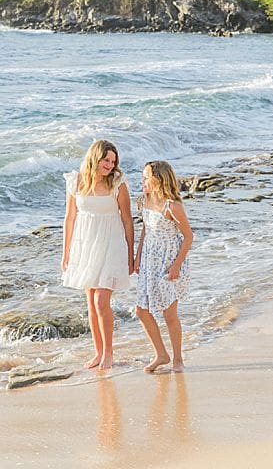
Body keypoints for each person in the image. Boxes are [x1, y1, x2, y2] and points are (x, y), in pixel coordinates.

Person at [61, 139, 135, 371]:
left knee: (101, 301)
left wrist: (131, 253)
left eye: (113, 162)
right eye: (106, 160)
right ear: (95, 158)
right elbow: (70, 218)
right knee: (91, 303)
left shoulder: (118, 183)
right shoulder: (76, 181)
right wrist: (66, 252)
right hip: (85, 246)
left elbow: (127, 219)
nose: (110, 166)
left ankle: (109, 354)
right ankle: (99, 352)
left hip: (112, 244)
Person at [134, 160, 193, 373]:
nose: (143, 181)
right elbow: (144, 231)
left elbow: (188, 237)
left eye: (146, 177)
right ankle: (161, 354)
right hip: (149, 261)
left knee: (169, 314)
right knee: (141, 311)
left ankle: (178, 359)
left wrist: (176, 266)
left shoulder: (173, 206)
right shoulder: (144, 200)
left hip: (169, 261)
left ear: (159, 179)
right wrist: (137, 256)